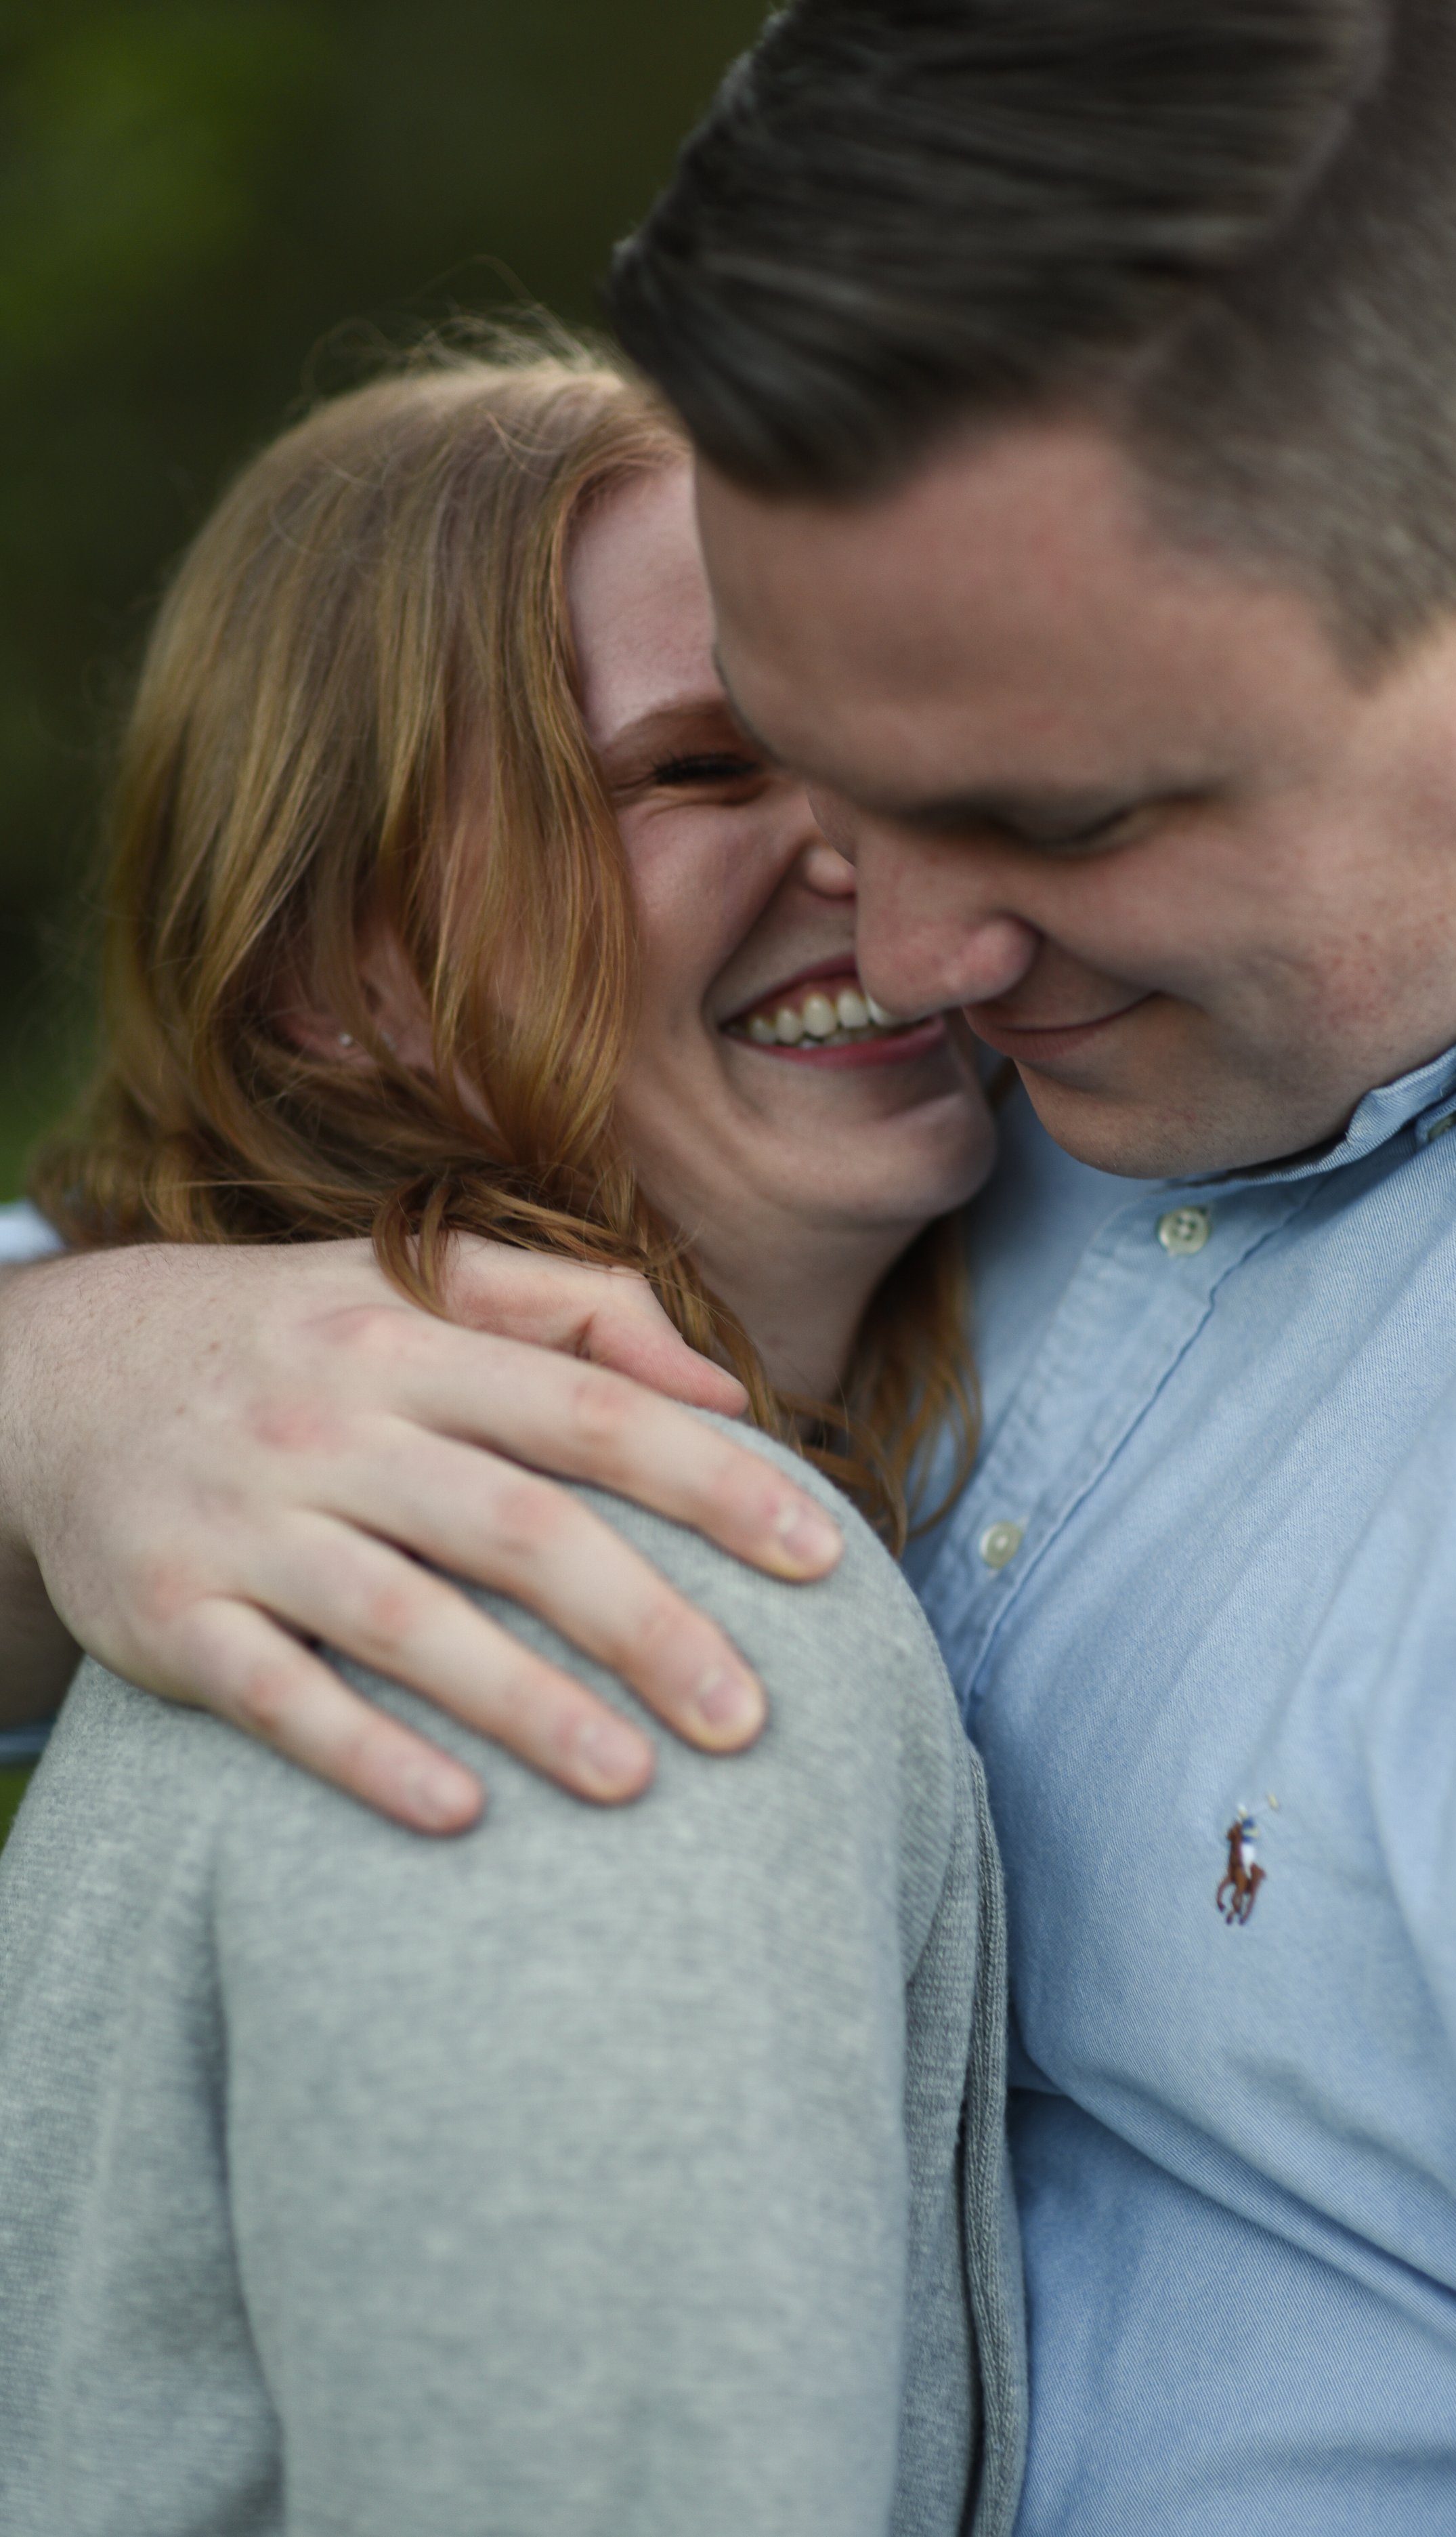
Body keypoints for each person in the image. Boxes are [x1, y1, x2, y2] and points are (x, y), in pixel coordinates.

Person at [0, 0, 1456, 2526]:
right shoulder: (753, 1188)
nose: (910, 942)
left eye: (1048, 816)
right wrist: (73, 1376)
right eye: (767, 754)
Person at [0, 335, 1025, 2536]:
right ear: (334, 974)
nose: (873, 850)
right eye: (698, 766)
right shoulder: (576, 1609)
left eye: (867, 736)